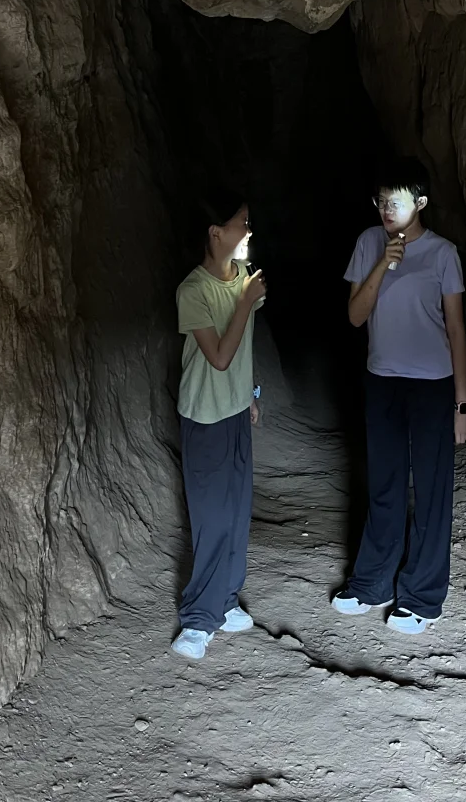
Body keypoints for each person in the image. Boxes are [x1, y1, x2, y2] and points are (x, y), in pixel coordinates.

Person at [332, 163, 466, 634]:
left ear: (421, 203)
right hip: (382, 380)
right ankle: (372, 584)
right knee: (385, 487)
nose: (386, 209)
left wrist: (462, 403)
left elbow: (455, 329)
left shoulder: (443, 254)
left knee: (431, 493)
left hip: (432, 384)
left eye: (396, 201)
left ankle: (422, 597)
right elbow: (355, 316)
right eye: (381, 201)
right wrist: (383, 263)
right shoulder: (368, 243)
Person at [170, 191, 267, 660]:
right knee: (211, 520)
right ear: (215, 233)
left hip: (233, 412)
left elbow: (244, 352)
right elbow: (221, 357)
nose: (248, 230)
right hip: (205, 417)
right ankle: (197, 621)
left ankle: (225, 602)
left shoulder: (243, 278)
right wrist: (246, 302)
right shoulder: (194, 290)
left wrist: (251, 394)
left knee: (235, 513)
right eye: (240, 222)